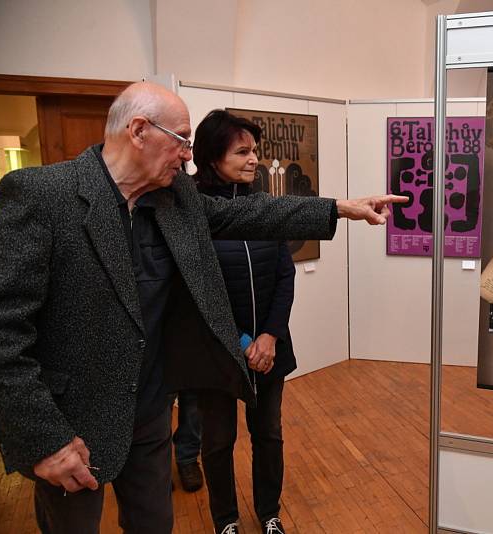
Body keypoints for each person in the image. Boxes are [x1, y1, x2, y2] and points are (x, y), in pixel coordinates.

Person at [0, 81, 407, 534]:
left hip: (149, 413)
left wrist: (341, 208)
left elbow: (249, 215)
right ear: (139, 130)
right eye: (182, 139)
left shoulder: (174, 197)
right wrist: (43, 438)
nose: (189, 155)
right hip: (72, 423)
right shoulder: (40, 195)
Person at [190, 109, 298, 534]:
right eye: (242, 151)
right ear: (213, 157)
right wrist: (237, 340)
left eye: (255, 150)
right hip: (217, 351)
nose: (254, 159)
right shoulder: (194, 214)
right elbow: (195, 288)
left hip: (270, 350)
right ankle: (225, 521)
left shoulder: (264, 207)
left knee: (268, 434)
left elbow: (284, 276)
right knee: (217, 442)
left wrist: (269, 336)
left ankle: (269, 513)